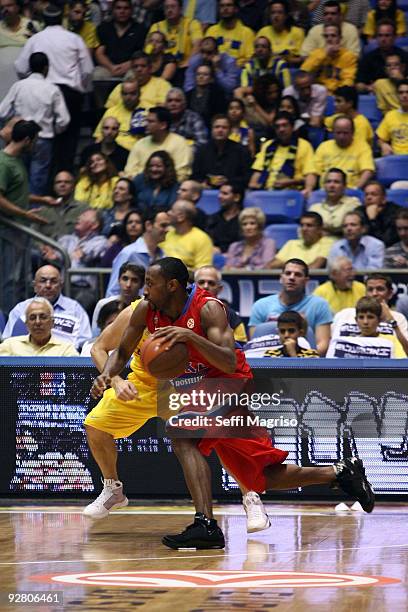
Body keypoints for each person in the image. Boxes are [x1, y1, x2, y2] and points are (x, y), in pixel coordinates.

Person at [91, 257, 374, 549]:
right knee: (261, 475)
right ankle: (341, 473)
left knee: (182, 438)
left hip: (227, 382)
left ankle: (206, 525)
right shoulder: (145, 310)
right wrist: (108, 375)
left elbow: (227, 360)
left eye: (151, 283)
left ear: (172, 285)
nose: (144, 289)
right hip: (192, 389)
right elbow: (122, 351)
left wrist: (190, 337)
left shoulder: (208, 308)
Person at [84, 289, 268, 533]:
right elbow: (99, 348)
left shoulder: (198, 313)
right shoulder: (137, 311)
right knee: (95, 425)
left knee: (223, 437)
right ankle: (112, 489)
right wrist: (116, 381)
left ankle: (251, 498)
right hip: (143, 384)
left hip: (187, 385)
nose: (151, 292)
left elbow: (224, 356)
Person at [14, 4, 93, 172]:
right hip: (70, 94)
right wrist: (80, 88)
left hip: (41, 92)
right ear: (62, 19)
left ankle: (44, 186)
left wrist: (31, 82)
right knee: (68, 143)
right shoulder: (74, 39)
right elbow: (87, 70)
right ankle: (63, 186)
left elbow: (20, 67)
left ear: (43, 20)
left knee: (42, 139)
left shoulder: (35, 39)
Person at [0, 51, 70, 195]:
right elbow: (64, 120)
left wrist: (13, 122)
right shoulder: (52, 89)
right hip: (43, 139)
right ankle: (33, 212)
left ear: (29, 67)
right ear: (46, 68)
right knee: (38, 180)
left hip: (19, 137)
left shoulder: (18, 86)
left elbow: (2, 112)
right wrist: (54, 130)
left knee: (18, 176)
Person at [0, 119, 47, 313]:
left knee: (19, 279)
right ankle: (7, 325)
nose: (35, 146)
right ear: (27, 140)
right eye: (35, 141)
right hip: (8, 230)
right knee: (10, 280)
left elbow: (15, 193)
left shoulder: (17, 161)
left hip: (18, 230)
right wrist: (25, 214)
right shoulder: (3, 162)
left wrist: (43, 200)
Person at [249, 258, 332, 355]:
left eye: (298, 274)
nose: (292, 277)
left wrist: (304, 357)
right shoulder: (260, 305)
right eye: (288, 273)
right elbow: (254, 345)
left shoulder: (319, 305)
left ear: (306, 281)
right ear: (281, 278)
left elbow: (323, 345)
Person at [3, 264, 92, 348]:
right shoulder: (20, 309)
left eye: (53, 281)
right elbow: (8, 341)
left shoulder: (75, 309)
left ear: (61, 285)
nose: (48, 285)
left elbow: (84, 343)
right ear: (34, 286)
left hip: (65, 360)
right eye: (43, 281)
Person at [331, 272, 408, 351]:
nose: (374, 294)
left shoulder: (398, 318)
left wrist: (392, 322)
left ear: (390, 293)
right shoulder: (344, 314)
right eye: (370, 289)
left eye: (380, 289)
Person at [105, 208, 170, 296]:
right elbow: (113, 291)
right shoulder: (129, 253)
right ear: (148, 225)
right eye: (163, 225)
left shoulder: (163, 256)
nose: (167, 230)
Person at [304, 116, 375, 195]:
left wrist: (356, 189)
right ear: (332, 132)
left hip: (350, 191)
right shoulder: (324, 146)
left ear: (353, 132)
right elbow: (312, 172)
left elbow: (367, 171)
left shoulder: (362, 147)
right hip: (325, 192)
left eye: (345, 133)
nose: (341, 137)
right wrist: (309, 188)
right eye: (338, 133)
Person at [249, 111, 314, 191]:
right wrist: (253, 185)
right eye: (277, 127)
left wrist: (291, 182)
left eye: (285, 125)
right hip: (266, 191)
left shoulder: (304, 145)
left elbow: (310, 175)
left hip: (292, 192)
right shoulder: (268, 145)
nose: (281, 129)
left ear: (292, 127)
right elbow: (258, 172)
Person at [124, 106, 192, 182]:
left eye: (151, 121)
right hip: (141, 187)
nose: (146, 124)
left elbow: (182, 174)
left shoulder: (180, 143)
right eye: (146, 121)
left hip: (169, 189)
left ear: (163, 125)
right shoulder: (140, 144)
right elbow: (129, 172)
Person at [327, 296, 406, 358]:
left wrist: (393, 323)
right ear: (356, 320)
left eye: (370, 317)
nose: (365, 322)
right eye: (361, 317)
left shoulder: (391, 339)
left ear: (379, 320)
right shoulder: (347, 342)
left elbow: (402, 360)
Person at [0, 297, 79, 356]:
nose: (37, 322)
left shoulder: (66, 349)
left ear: (52, 322)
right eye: (32, 318)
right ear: (26, 324)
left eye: (43, 317)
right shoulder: (10, 345)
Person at [191, 114, 252, 189]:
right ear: (212, 130)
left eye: (224, 127)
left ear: (230, 131)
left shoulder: (241, 151)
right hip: (206, 190)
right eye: (217, 127)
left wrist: (228, 181)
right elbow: (195, 175)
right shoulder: (202, 150)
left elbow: (247, 177)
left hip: (233, 191)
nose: (220, 130)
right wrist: (205, 182)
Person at [94, 0, 146, 82]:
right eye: (118, 8)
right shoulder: (104, 27)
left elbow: (141, 54)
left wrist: (127, 66)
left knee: (134, 75)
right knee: (97, 75)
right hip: (108, 67)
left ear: (131, 10)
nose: (122, 11)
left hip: (131, 67)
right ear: (113, 10)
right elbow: (99, 53)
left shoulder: (140, 29)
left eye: (126, 8)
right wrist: (111, 67)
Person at [194, 265, 247, 343]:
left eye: (211, 283)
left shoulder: (232, 316)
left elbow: (241, 346)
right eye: (201, 282)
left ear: (220, 289)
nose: (205, 286)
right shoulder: (181, 311)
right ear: (194, 286)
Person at [105, 51, 172, 110]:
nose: (139, 69)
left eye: (143, 66)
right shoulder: (121, 87)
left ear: (150, 68)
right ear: (131, 69)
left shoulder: (162, 85)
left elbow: (162, 111)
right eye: (135, 66)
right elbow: (109, 110)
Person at [300, 24, 357, 94]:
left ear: (340, 38)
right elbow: (304, 71)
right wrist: (324, 54)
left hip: (337, 94)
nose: (329, 39)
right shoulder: (317, 53)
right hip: (317, 94)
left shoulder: (348, 56)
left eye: (333, 36)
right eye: (326, 36)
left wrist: (338, 93)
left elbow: (348, 80)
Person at [145, 0, 202, 69]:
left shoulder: (192, 23)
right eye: (166, 7)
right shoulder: (156, 26)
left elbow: (197, 45)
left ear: (180, 9)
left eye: (173, 7)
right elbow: (147, 49)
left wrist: (188, 63)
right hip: (161, 67)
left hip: (185, 66)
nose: (169, 10)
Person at [31, 171, 89, 239]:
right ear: (54, 187)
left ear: (73, 186)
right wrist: (42, 247)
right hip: (46, 248)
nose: (62, 185)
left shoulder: (84, 209)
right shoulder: (43, 211)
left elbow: (89, 236)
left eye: (67, 182)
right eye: (58, 182)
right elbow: (33, 235)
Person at [356, 19, 408, 94]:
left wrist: (401, 80)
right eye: (380, 35)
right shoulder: (368, 58)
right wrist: (368, 88)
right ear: (376, 37)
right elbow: (358, 85)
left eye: (387, 35)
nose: (383, 39)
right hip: (375, 96)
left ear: (394, 37)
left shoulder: (405, 56)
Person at [93, 80, 146, 152]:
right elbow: (99, 138)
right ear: (121, 94)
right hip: (113, 153)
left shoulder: (147, 112)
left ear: (139, 94)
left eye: (132, 93)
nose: (128, 97)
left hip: (135, 153)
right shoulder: (111, 112)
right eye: (125, 94)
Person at [91, 262, 144, 333]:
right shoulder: (104, 304)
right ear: (119, 280)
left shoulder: (147, 305)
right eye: (125, 279)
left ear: (141, 284)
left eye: (134, 280)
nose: (128, 285)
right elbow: (96, 334)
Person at [269, 212, 334, 269]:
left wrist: (288, 266)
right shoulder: (291, 243)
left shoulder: (327, 243)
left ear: (319, 229)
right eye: (302, 225)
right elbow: (271, 266)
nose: (304, 229)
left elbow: (315, 267)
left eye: (309, 225)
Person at [162, 200, 213, 270]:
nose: (168, 213)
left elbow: (202, 270)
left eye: (172, 211)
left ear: (181, 217)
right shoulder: (166, 233)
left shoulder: (202, 238)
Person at [309, 168, 361, 237]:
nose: (332, 186)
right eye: (328, 182)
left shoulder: (353, 204)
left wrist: (323, 229)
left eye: (336, 182)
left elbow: (350, 228)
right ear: (324, 186)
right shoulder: (314, 208)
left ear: (344, 186)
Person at [206, 0, 255, 68]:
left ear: (236, 9)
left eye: (229, 5)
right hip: (214, 70)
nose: (225, 9)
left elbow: (250, 59)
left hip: (238, 71)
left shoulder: (247, 33)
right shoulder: (211, 30)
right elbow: (206, 54)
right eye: (222, 6)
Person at [257, 0, 305, 66]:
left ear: (286, 15)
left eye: (280, 12)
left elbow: (302, 58)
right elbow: (256, 55)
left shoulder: (298, 32)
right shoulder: (263, 31)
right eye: (273, 13)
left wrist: (287, 59)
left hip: (290, 68)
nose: (276, 16)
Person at [186, 62, 228, 129]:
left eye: (205, 74)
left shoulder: (218, 95)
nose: (201, 77)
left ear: (211, 78)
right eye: (198, 74)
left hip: (210, 129)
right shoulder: (188, 95)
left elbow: (219, 116)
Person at [359, 180, 401, 247]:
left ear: (384, 198)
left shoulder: (395, 212)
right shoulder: (359, 211)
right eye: (366, 194)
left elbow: (386, 242)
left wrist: (373, 220)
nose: (369, 197)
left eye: (374, 194)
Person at [206, 182, 243, 253]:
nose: (219, 196)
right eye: (219, 193)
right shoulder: (213, 218)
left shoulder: (245, 219)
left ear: (236, 197)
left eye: (225, 194)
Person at [377, 79, 408, 155]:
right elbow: (380, 139)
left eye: (407, 92)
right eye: (401, 93)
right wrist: (383, 145)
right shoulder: (390, 116)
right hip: (395, 159)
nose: (404, 95)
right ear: (397, 96)